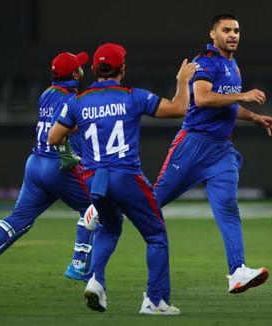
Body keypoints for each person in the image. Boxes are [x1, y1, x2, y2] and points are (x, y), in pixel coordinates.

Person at [48, 43, 198, 315]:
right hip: (126, 176)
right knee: (156, 236)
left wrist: (73, 158)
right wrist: (183, 80)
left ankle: (96, 281)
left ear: (94, 69)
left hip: (95, 180)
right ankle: (154, 301)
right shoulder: (132, 96)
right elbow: (179, 108)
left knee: (109, 227)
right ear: (123, 69)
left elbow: (54, 137)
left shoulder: (76, 102)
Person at [153, 13, 272, 294]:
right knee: (149, 203)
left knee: (229, 209)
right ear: (213, 34)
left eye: (236, 30)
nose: (233, 35)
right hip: (193, 146)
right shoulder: (206, 62)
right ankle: (101, 215)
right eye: (226, 30)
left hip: (220, 150)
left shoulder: (232, 65)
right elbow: (203, 98)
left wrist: (254, 117)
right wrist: (244, 95)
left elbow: (227, 106)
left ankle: (237, 271)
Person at [0, 51, 94, 289]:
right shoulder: (71, 98)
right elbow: (60, 128)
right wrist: (68, 153)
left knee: (20, 218)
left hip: (36, 164)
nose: (83, 71)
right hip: (58, 165)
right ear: (75, 74)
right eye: (80, 68)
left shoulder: (46, 93)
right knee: (95, 207)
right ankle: (79, 263)